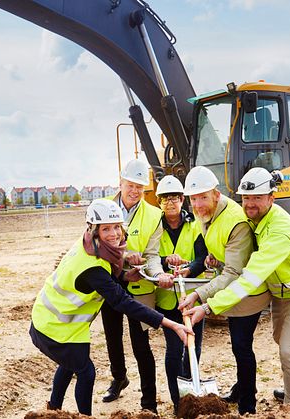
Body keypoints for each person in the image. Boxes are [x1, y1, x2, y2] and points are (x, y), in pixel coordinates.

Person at [183, 167, 290, 413]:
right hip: (283, 292)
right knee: (284, 342)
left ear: (271, 199)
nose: (250, 204)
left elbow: (247, 279)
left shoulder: (279, 232)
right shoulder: (256, 218)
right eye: (246, 198)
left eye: (257, 198)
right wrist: (219, 260)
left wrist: (209, 306)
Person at [29, 199, 191, 416]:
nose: (114, 234)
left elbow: (104, 276)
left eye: (117, 227)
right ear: (94, 230)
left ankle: (53, 410)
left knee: (70, 364)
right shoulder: (92, 265)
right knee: (86, 372)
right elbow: (122, 301)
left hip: (61, 322)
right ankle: (84, 416)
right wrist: (169, 323)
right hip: (52, 325)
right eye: (106, 229)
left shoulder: (90, 244)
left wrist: (124, 275)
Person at [178, 166, 271, 415]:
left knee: (241, 345)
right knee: (238, 344)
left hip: (248, 292)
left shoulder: (236, 221)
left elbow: (235, 273)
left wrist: (199, 294)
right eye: (193, 199)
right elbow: (226, 259)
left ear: (216, 195)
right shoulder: (204, 213)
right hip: (232, 287)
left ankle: (247, 404)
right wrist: (215, 259)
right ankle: (241, 389)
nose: (197, 204)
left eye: (203, 197)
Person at [100, 159, 174, 414]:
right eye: (130, 185)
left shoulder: (154, 215)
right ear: (120, 183)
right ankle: (118, 378)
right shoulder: (102, 208)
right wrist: (124, 257)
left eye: (140, 187)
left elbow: (152, 254)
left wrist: (158, 273)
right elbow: (96, 248)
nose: (134, 191)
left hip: (140, 288)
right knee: (112, 337)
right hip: (111, 284)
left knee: (141, 345)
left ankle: (149, 402)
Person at [153, 175, 208, 413]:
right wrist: (167, 262)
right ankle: (178, 400)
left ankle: (190, 395)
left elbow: (201, 258)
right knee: (174, 349)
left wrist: (189, 269)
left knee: (193, 347)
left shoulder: (195, 224)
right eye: (165, 199)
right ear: (159, 203)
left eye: (174, 198)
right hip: (167, 300)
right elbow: (151, 256)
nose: (170, 203)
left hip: (192, 298)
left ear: (182, 199)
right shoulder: (155, 227)